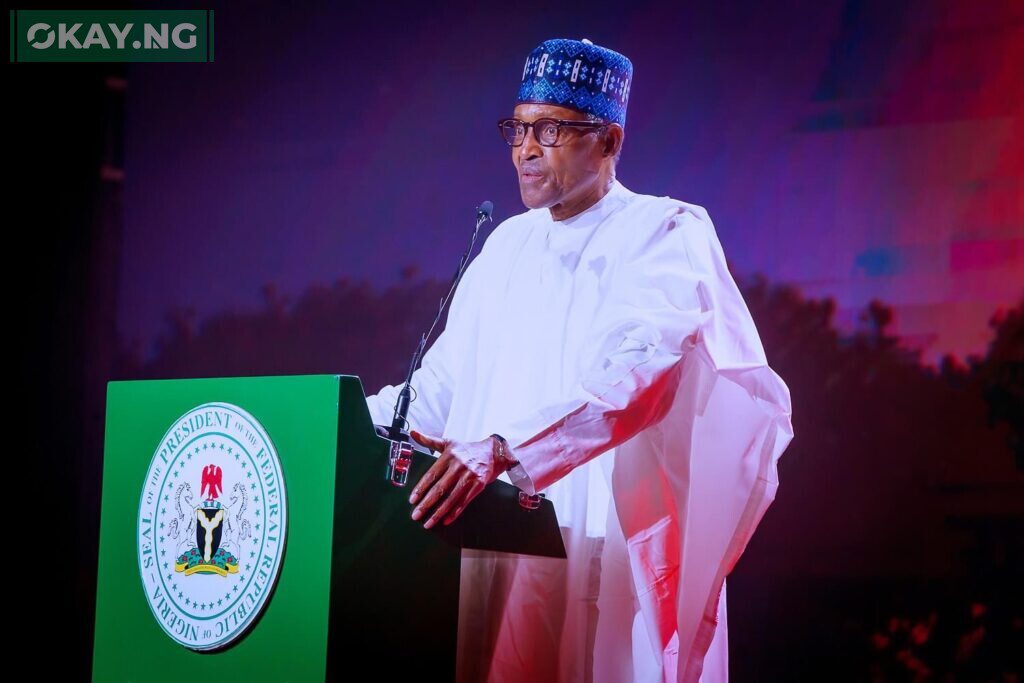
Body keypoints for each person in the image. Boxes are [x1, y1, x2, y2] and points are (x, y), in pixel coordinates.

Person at [365, 37, 794, 682]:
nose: (526, 150)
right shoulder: (506, 244)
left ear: (610, 140)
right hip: (501, 541)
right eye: (518, 129)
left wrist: (509, 447)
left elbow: (638, 377)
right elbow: (439, 390)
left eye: (551, 130)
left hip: (605, 542)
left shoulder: (666, 229)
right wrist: (336, 418)